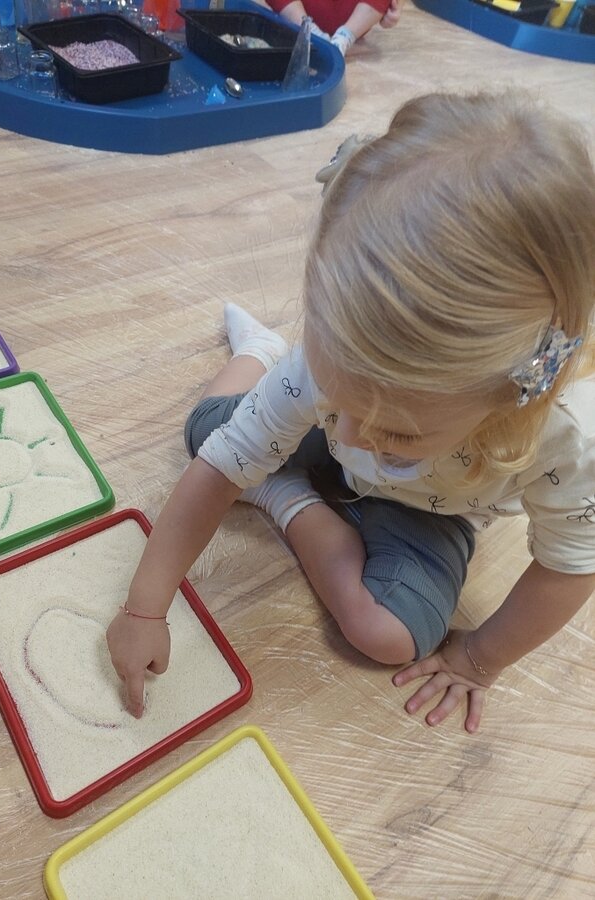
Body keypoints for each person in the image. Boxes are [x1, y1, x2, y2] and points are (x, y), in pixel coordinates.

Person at [107, 92, 595, 733]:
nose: (357, 435)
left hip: (435, 511)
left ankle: (285, 496)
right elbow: (224, 463)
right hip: (324, 438)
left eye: (395, 429)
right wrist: (145, 607)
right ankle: (260, 352)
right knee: (207, 434)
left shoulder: (568, 438)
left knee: (391, 635)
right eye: (339, 397)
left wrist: (479, 659)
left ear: (507, 398)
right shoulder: (335, 372)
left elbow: (569, 565)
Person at [264, 0, 402, 57]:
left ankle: (342, 38)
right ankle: (311, 32)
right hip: (300, 13)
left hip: (355, 18)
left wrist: (397, 5)